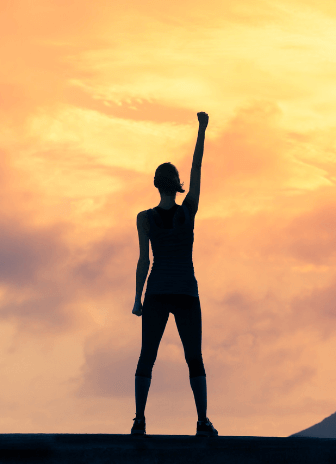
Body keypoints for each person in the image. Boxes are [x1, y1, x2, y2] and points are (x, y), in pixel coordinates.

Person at [130, 112, 218, 437]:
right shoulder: (188, 210)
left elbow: (143, 262)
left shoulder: (144, 218)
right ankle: (202, 422)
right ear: (178, 184)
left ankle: (139, 420)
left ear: (156, 184)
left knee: (146, 358)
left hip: (156, 292)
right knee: (194, 358)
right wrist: (202, 129)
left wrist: (137, 300)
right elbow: (197, 167)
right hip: (185, 292)